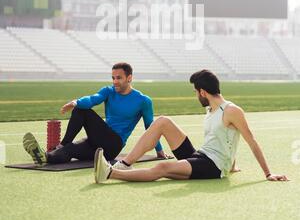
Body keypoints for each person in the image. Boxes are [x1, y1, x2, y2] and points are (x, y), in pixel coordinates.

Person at [94, 69, 289, 184]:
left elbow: (250, 141)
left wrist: (268, 174)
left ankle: (110, 173)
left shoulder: (231, 110)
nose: (196, 96)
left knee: (163, 167)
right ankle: (125, 163)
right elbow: (225, 137)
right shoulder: (211, 110)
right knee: (163, 121)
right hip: (201, 156)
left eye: (196, 92)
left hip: (212, 167)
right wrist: (233, 164)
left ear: (203, 92)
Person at [23, 62, 168, 166]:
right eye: (113, 78)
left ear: (129, 78)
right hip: (98, 140)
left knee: (81, 110)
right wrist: (75, 102)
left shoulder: (143, 100)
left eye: (119, 78)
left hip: (113, 144)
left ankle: (61, 144)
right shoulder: (108, 91)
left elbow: (151, 128)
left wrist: (159, 151)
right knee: (70, 150)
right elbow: (93, 99)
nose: (115, 81)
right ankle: (45, 157)